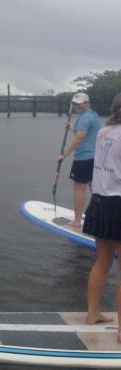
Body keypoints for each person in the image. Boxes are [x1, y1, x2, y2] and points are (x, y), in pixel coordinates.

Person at [82, 93, 121, 339]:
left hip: (98, 201)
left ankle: (93, 313)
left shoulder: (103, 133)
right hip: (118, 202)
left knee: (102, 262)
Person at [57, 93, 101, 227]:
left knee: (79, 189)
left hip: (83, 158)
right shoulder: (93, 115)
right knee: (95, 189)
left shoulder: (84, 117)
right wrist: (72, 129)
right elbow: (84, 134)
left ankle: (77, 221)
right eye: (75, 104)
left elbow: (79, 138)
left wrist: (64, 155)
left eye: (79, 103)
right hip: (95, 158)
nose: (76, 106)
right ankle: (99, 217)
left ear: (87, 102)